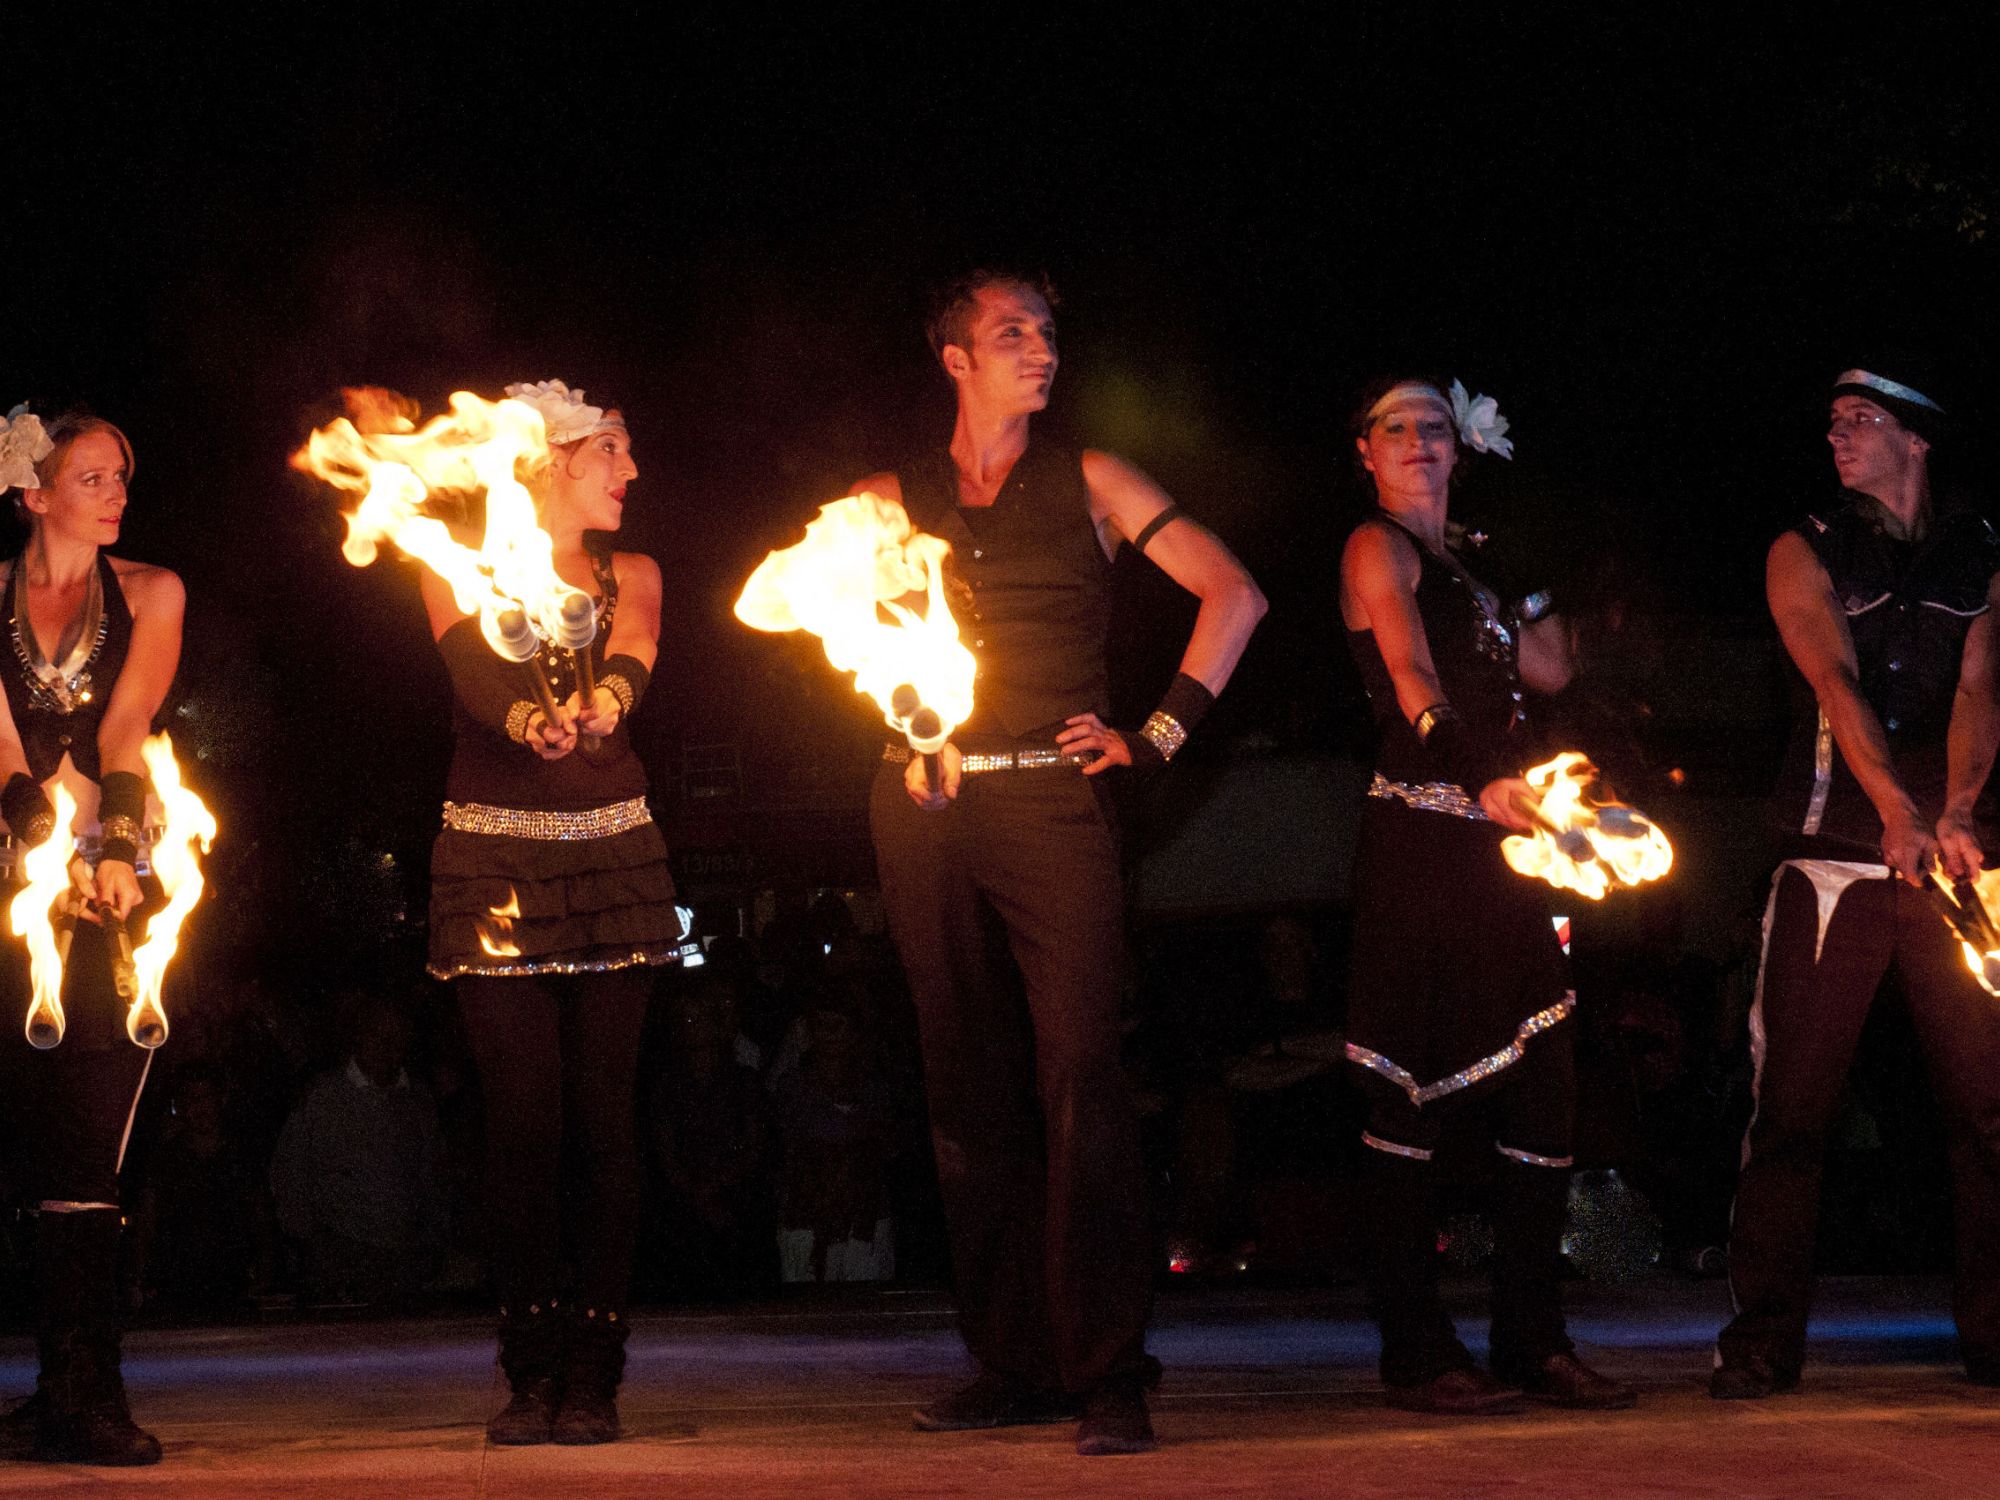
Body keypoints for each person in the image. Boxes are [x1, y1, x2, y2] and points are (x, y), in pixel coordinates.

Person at [855, 270, 1266, 1455]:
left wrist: (1158, 732)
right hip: (925, 799)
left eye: (1046, 333)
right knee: (964, 1089)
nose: (1039, 350)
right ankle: (1007, 1359)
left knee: (1079, 1072)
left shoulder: (1090, 479)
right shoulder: (883, 499)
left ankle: (1106, 1366)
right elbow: (831, 633)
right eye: (1010, 334)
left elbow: (1233, 593)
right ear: (953, 359)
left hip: (1051, 799)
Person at [1338, 376, 1633, 1413]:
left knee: (1543, 1078)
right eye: (1394, 428)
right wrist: (1477, 774)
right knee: (1408, 1089)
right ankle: (1414, 1348)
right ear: (1364, 452)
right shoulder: (1377, 549)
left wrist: (1524, 560)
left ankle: (1530, 1337)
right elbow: (1414, 676)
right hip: (1424, 835)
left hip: (1508, 845)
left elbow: (1548, 670)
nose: (1416, 440)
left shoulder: (1475, 561)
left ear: (1461, 448)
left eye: (1432, 426)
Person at [1715, 367, 2000, 1397]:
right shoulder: (1803, 546)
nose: (1836, 435)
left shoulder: (1980, 552)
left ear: (1916, 440)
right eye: (1829, 420)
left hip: (1959, 859)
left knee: (1988, 1106)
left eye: (1860, 421)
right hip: (1835, 847)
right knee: (1790, 1102)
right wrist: (1891, 810)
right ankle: (1760, 1339)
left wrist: (1958, 807)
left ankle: (1994, 1335)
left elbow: (1977, 686)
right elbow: (1831, 678)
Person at [421, 380, 681, 1445]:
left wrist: (603, 705)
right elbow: (472, 669)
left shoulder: (638, 573)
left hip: (611, 861)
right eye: (609, 452)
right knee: (524, 1128)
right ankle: (528, 1368)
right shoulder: (452, 558)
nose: (627, 471)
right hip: (491, 866)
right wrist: (531, 715)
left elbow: (635, 656)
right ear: (549, 461)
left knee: (603, 1127)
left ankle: (594, 1370)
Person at [0, 405, 185, 1466]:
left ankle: (89, 1387)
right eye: (90, 475)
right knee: (29, 1132)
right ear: (33, 493)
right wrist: (45, 851)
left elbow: (127, 724)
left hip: (114, 883)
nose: (116, 490)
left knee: (91, 1123)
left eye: (122, 471)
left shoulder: (152, 592)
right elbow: (0, 752)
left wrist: (112, 848)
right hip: (14, 875)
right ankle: (51, 1386)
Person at [269, 994, 445, 1306]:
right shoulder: (323, 1097)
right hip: (342, 1260)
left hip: (405, 1261)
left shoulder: (417, 1100)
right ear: (360, 1036)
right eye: (379, 1035)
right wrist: (311, 1244)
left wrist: (431, 1240)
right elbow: (289, 1172)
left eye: (397, 1037)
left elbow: (431, 1176)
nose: (387, 1046)